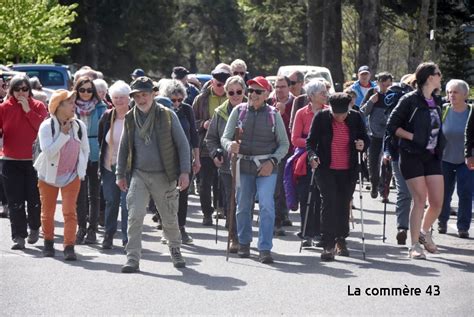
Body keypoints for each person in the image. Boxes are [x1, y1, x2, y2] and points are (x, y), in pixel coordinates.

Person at [116, 76, 191, 273]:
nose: (141, 99)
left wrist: (185, 172)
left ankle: (175, 249)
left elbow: (183, 145)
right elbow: (124, 147)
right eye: (137, 95)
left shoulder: (167, 115)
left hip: (164, 175)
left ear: (153, 94)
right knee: (135, 215)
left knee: (168, 217)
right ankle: (132, 258)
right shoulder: (130, 118)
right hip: (139, 174)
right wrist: (120, 174)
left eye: (145, 94)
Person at [221, 76, 289, 264]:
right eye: (250, 90)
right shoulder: (238, 111)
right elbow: (225, 137)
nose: (253, 94)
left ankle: (264, 248)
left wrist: (272, 162)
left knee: (266, 205)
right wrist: (230, 145)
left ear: (267, 94)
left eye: (258, 91)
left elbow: (284, 144)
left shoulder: (274, 115)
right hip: (242, 165)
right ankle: (244, 242)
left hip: (266, 166)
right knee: (242, 205)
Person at [386, 62, 445, 259]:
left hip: (432, 155)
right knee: (419, 199)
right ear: (430, 77)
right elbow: (392, 125)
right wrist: (413, 137)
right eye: (438, 74)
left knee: (437, 202)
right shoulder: (409, 100)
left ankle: (423, 232)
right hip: (411, 155)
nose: (440, 77)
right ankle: (414, 246)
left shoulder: (437, 100)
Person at [306, 93, 369, 261]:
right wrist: (312, 156)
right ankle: (328, 243)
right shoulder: (321, 117)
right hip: (325, 168)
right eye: (336, 114)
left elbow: (365, 139)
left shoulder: (355, 117)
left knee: (343, 203)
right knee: (329, 202)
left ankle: (341, 239)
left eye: (343, 114)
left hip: (348, 169)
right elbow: (310, 142)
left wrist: (362, 144)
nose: (340, 117)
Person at [34, 90, 89, 260]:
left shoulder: (79, 125)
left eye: (74, 102)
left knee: (69, 212)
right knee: (47, 213)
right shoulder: (46, 126)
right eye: (70, 103)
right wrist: (64, 135)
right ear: (58, 107)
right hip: (48, 177)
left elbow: (85, 149)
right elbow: (49, 152)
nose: (74, 105)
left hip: (71, 176)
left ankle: (69, 246)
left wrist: (81, 170)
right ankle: (48, 243)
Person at [0, 74, 48, 249]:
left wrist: (28, 110)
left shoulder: (39, 106)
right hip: (10, 160)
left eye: (25, 89)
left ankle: (34, 227)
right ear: (11, 91)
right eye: (17, 89)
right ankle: (18, 236)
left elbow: (43, 129)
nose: (21, 92)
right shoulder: (4, 107)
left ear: (29, 90)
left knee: (34, 198)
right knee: (15, 200)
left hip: (34, 161)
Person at [205, 75, 247, 252]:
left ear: (244, 91)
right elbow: (211, 138)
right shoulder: (220, 112)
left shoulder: (253, 109)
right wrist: (215, 153)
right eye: (231, 92)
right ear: (226, 93)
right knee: (232, 201)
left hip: (249, 165)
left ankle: (245, 237)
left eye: (239, 91)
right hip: (227, 166)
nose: (235, 95)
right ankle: (234, 237)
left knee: (245, 201)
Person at [288, 79, 328, 247]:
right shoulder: (301, 113)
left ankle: (319, 233)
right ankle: (306, 232)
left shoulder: (329, 112)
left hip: (325, 159)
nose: (326, 95)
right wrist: (312, 144)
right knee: (306, 195)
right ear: (312, 96)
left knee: (321, 197)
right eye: (322, 93)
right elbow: (295, 139)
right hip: (305, 159)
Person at [160, 79, 201, 244]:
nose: (177, 103)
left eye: (179, 99)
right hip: (166, 159)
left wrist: (196, 158)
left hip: (184, 158)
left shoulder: (187, 109)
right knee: (165, 194)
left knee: (183, 194)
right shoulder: (162, 111)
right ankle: (167, 228)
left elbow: (194, 136)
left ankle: (181, 227)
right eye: (173, 100)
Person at [193, 67, 230, 225]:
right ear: (212, 82)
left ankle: (224, 209)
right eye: (218, 84)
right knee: (205, 183)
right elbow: (192, 122)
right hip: (206, 144)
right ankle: (207, 213)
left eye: (223, 85)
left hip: (227, 145)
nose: (221, 87)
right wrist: (203, 124)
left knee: (224, 181)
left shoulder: (235, 97)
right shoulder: (201, 99)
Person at [73, 76, 108, 244]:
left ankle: (93, 229)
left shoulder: (101, 107)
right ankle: (81, 227)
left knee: (94, 193)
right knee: (79, 194)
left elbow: (105, 132)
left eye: (89, 90)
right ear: (77, 90)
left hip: (95, 151)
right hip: (75, 152)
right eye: (82, 90)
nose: (86, 93)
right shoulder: (70, 106)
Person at [438, 80, 472, 238]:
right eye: (449, 92)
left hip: (467, 160)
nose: (452, 95)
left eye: (456, 92)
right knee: (444, 192)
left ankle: (463, 226)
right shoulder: (443, 111)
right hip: (445, 158)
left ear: (465, 94)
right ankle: (442, 221)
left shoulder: (471, 112)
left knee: (465, 192)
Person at [98, 80, 131, 249]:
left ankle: (127, 239)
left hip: (129, 168)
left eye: (122, 97)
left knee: (127, 204)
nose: (119, 101)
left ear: (128, 98)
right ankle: (108, 235)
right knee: (111, 201)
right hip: (109, 166)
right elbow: (101, 141)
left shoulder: (135, 116)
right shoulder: (106, 116)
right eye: (116, 97)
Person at [360, 72, 393, 200]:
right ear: (378, 83)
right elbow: (362, 112)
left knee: (387, 164)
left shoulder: (394, 95)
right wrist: (371, 102)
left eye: (389, 85)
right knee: (373, 164)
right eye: (383, 85)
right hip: (373, 135)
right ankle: (374, 183)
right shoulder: (372, 93)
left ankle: (384, 191)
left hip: (388, 135)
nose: (386, 88)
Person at [269, 76, 295, 235]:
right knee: (276, 186)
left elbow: (291, 128)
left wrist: (284, 113)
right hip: (272, 150)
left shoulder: (295, 103)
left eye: (283, 86)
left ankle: (283, 213)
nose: (279, 89)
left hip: (289, 150)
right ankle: (276, 221)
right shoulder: (269, 103)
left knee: (286, 184)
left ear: (289, 87)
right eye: (277, 86)